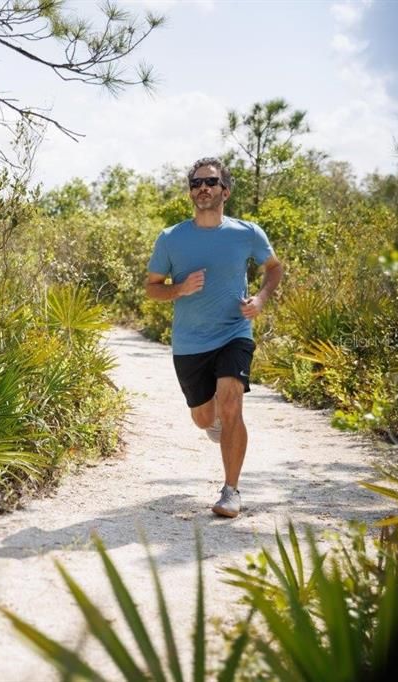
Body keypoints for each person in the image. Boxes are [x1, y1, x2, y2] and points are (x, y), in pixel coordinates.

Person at [144, 157, 284, 518]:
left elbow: (274, 268)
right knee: (204, 418)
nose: (202, 188)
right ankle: (216, 424)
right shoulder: (172, 238)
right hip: (190, 342)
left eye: (209, 182)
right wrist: (180, 289)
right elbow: (152, 289)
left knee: (232, 401)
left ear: (226, 190)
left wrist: (260, 299)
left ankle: (231, 490)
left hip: (234, 332)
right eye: (195, 183)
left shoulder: (246, 233)